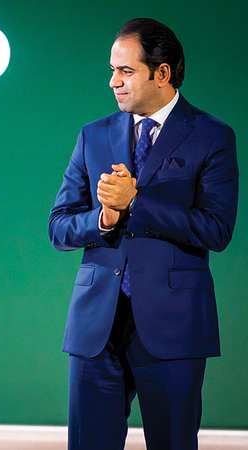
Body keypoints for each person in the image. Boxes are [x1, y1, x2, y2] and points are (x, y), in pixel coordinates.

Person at [49, 18, 238, 449]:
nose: (113, 81)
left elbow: (217, 229)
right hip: (96, 329)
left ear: (162, 72)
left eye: (126, 71)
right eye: (112, 70)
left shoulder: (212, 137)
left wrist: (137, 202)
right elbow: (59, 225)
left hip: (173, 329)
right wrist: (104, 219)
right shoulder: (93, 135)